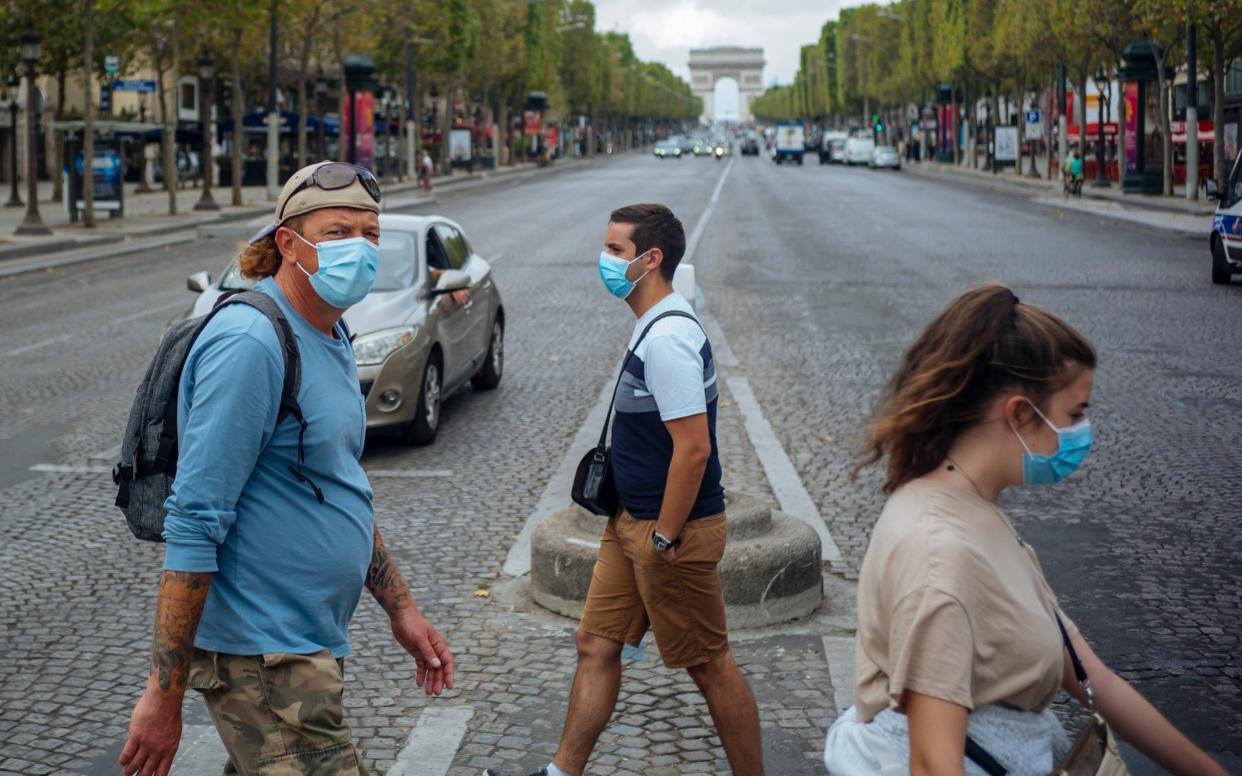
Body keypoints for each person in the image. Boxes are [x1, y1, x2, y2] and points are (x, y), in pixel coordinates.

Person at [119, 161, 455, 776]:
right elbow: (194, 522)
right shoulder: (251, 341)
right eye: (336, 232)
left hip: (309, 639)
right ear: (287, 242)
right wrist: (162, 695)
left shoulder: (329, 330)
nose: (359, 246)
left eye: (370, 233)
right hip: (265, 656)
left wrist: (401, 609)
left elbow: (336, 485)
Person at [823, 284, 1227, 776]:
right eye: (1075, 414)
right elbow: (933, 765)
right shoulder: (941, 557)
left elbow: (1092, 677)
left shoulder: (972, 506)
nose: (1082, 433)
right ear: (1018, 413)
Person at [486, 204, 764, 776]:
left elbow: (694, 450)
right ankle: (561, 773)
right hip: (630, 521)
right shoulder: (651, 323)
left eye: (615, 250)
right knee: (597, 644)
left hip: (670, 531)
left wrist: (664, 536)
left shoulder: (669, 339)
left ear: (651, 259)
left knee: (710, 665)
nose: (605, 260)